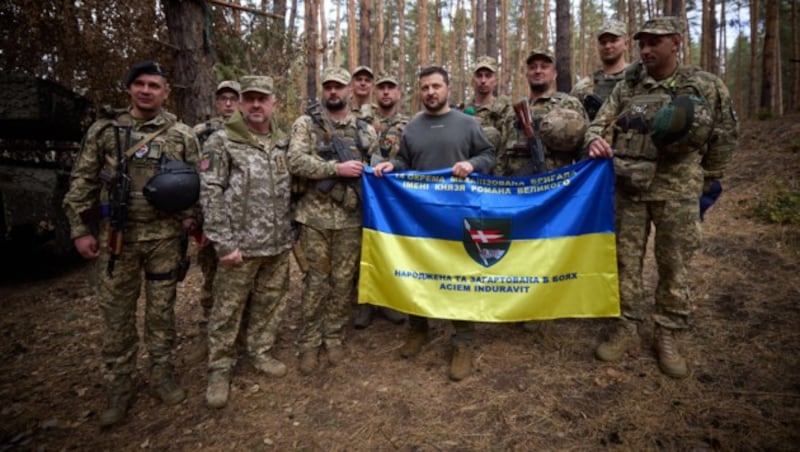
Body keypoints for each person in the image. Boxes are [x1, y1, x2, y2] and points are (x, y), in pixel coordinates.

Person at [584, 16, 738, 378]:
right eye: (643, 43)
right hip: (629, 189)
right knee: (624, 261)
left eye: (655, 42)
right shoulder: (628, 85)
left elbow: (726, 136)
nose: (647, 50)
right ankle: (625, 325)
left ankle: (668, 332)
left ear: (676, 43)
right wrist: (595, 139)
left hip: (678, 191)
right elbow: (599, 123)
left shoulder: (703, 85)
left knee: (674, 265)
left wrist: (708, 182)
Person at [62, 60, 200, 427]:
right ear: (129, 89)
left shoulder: (181, 135)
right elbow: (82, 182)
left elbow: (196, 186)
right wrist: (80, 230)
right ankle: (120, 385)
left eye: (154, 85)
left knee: (161, 312)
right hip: (116, 239)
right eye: (139, 84)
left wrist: (191, 219)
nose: (146, 91)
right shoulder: (105, 131)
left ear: (166, 92)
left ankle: (161, 373)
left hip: (165, 239)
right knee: (117, 316)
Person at [373, 66, 495, 382]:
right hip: (420, 216)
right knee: (418, 271)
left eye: (436, 86)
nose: (430, 92)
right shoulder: (411, 128)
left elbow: (488, 156)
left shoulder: (468, 124)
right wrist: (391, 165)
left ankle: (463, 341)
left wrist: (472, 164)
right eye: (425, 87)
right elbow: (405, 163)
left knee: (460, 274)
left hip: (458, 214)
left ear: (448, 88)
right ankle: (417, 327)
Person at [200, 75, 293, 408]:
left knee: (270, 303)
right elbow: (210, 192)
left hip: (278, 243)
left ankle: (260, 351)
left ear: (273, 103)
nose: (256, 104)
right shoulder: (222, 142)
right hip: (240, 246)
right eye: (249, 98)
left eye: (262, 98)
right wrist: (223, 244)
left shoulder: (283, 142)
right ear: (239, 103)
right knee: (227, 309)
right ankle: (219, 368)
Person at [288, 66, 377, 374]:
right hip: (314, 219)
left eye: (339, 86)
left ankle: (333, 336)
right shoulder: (305, 124)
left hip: (351, 219)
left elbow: (375, 167)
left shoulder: (364, 128)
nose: (333, 92)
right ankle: (309, 343)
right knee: (315, 282)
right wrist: (334, 170)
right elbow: (295, 161)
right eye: (328, 87)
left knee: (341, 284)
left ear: (350, 90)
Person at [187, 80, 241, 364]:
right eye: (224, 99)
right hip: (211, 223)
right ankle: (208, 330)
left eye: (234, 98)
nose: (229, 104)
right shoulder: (201, 133)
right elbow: (196, 181)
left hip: (243, 224)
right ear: (216, 102)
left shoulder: (250, 132)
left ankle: (238, 333)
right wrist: (198, 222)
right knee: (211, 278)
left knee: (239, 280)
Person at [353, 71, 410, 329]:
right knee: (362, 245)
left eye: (391, 88)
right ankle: (364, 302)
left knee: (389, 247)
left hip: (394, 199)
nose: (386, 92)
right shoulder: (360, 121)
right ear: (376, 92)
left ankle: (387, 301)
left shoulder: (409, 125)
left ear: (398, 93)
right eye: (382, 88)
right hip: (362, 193)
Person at [499, 49, 589, 177]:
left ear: (554, 74)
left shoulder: (569, 105)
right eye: (532, 67)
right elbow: (501, 158)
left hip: (557, 188)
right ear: (527, 74)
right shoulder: (513, 114)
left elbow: (584, 150)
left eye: (544, 67)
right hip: (517, 190)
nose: (538, 71)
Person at [571, 20, 630, 119]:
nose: (607, 46)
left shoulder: (639, 79)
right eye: (603, 42)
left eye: (613, 40)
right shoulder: (582, 88)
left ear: (626, 44)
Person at [462, 55, 511, 154]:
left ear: (496, 80)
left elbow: (507, 144)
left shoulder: (505, 109)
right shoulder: (462, 109)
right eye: (479, 76)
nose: (483, 81)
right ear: (473, 80)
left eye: (488, 76)